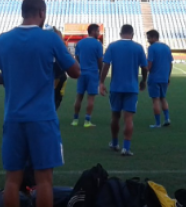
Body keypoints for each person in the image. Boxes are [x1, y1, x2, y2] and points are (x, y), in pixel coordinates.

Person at [0, 0, 80, 207]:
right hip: (43, 119)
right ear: (41, 12)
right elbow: (76, 72)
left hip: (13, 118)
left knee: (12, 181)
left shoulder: (3, 39)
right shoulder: (50, 38)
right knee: (44, 181)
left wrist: (13, 81)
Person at [99, 24, 148, 157]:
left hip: (116, 87)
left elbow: (106, 65)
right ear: (132, 34)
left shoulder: (113, 46)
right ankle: (126, 148)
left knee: (115, 116)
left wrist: (101, 82)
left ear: (120, 34)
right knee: (128, 118)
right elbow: (144, 67)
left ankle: (115, 143)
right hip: (132, 88)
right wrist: (143, 81)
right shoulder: (138, 47)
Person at [72, 24, 104, 127]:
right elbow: (100, 61)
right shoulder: (98, 44)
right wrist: (101, 71)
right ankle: (87, 121)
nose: (99, 33)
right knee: (91, 98)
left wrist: (80, 65)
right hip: (93, 73)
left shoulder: (80, 43)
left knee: (79, 97)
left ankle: (75, 120)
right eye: (98, 31)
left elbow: (76, 57)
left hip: (82, 73)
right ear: (94, 31)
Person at [145, 29, 173, 128]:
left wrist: (145, 71)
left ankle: (157, 123)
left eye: (148, 38)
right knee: (163, 98)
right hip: (164, 78)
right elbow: (170, 63)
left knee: (155, 100)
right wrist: (168, 76)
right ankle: (167, 118)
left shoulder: (151, 48)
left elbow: (149, 63)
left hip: (154, 78)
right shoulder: (166, 47)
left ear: (153, 37)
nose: (148, 40)